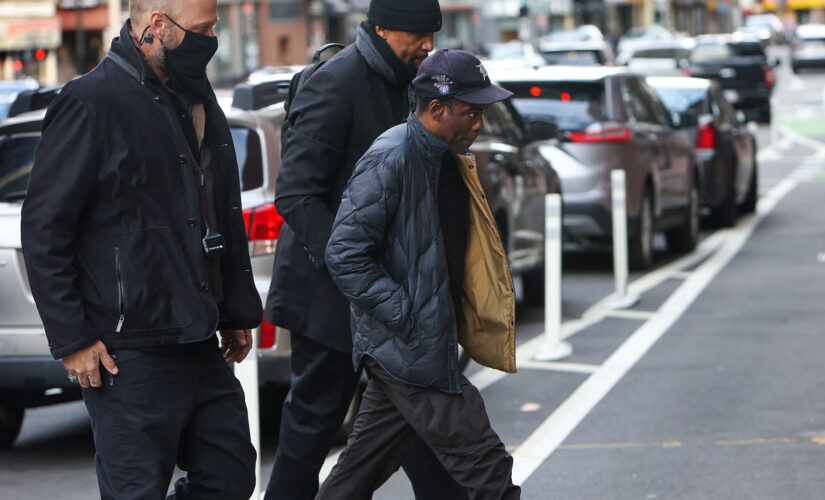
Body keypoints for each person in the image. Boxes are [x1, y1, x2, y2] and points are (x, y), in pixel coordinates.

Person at [20, 1, 262, 498]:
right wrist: (72, 340)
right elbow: (45, 229)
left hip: (199, 337)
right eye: (203, 29)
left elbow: (219, 205)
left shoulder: (195, 93)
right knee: (136, 491)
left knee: (232, 475)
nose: (212, 38)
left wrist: (234, 307)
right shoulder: (90, 101)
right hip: (127, 353)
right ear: (157, 25)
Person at [263, 1, 467, 499]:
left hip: (398, 298)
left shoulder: (413, 83)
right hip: (332, 298)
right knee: (310, 432)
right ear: (380, 28)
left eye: (431, 35)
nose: (426, 46)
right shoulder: (335, 83)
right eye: (416, 36)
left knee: (427, 432)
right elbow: (295, 193)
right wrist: (356, 266)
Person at [320, 49, 522, 500]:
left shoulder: (444, 157)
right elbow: (345, 253)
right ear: (436, 109)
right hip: (409, 347)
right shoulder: (393, 157)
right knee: (486, 466)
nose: (480, 125)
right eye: (472, 113)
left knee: (357, 472)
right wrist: (407, 313)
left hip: (413, 344)